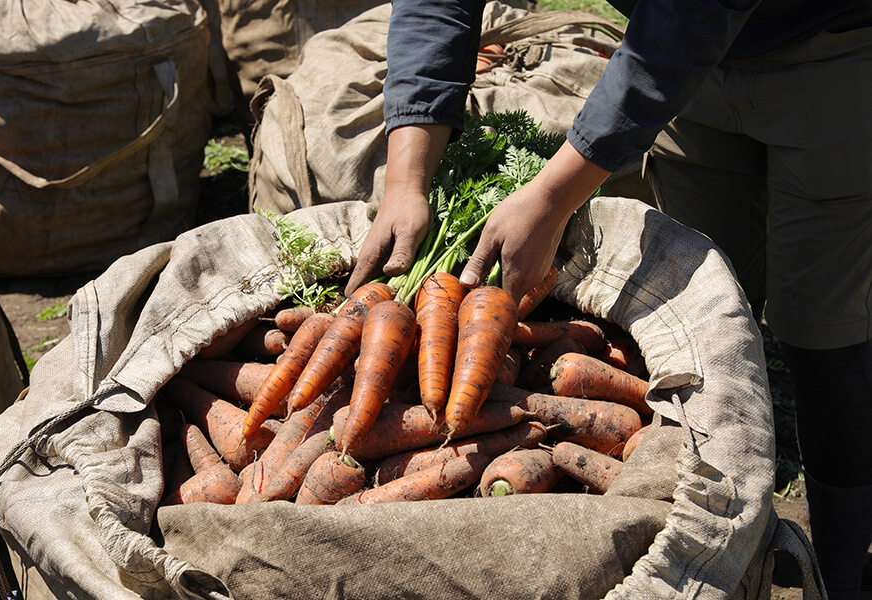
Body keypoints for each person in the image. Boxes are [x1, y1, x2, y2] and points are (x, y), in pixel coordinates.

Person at [343, 1, 872, 598]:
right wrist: (405, 184)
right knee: (707, 325)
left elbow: (687, 23)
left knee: (821, 334)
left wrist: (551, 198)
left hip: (826, 49)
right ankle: (725, 539)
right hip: (689, 76)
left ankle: (842, 572)